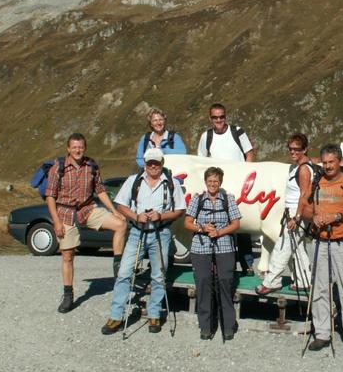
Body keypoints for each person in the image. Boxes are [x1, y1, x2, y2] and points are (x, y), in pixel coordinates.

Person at [101, 148, 186, 335]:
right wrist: (135, 216)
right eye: (150, 163)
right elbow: (121, 204)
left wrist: (161, 216)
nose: (153, 166)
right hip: (137, 233)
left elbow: (179, 209)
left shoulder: (171, 183)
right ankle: (116, 316)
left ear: (162, 162)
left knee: (158, 276)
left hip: (161, 233)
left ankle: (154, 313)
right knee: (124, 273)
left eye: (156, 162)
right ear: (145, 164)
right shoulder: (134, 181)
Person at [45, 133, 127, 314]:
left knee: (121, 225)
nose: (77, 150)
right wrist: (56, 222)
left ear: (85, 147)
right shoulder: (58, 167)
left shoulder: (91, 166)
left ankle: (118, 265)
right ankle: (68, 294)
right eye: (74, 147)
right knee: (68, 255)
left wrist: (114, 211)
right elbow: (50, 196)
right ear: (68, 149)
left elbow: (100, 191)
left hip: (87, 209)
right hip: (65, 212)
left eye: (80, 147)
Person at [302, 143, 343, 356]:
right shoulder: (317, 182)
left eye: (332, 162)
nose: (328, 166)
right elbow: (307, 210)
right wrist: (315, 218)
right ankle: (321, 334)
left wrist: (337, 216)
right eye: (325, 163)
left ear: (340, 162)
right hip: (321, 242)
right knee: (320, 289)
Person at [197, 103, 255, 275]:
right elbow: (201, 160)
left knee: (242, 224)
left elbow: (249, 153)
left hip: (238, 185)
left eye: (221, 116)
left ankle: (247, 264)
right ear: (210, 119)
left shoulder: (237, 132)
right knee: (217, 224)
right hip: (216, 188)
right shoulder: (206, 136)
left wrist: (247, 173)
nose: (219, 120)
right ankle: (216, 264)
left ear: (226, 117)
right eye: (215, 117)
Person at [184, 167, 241, 340]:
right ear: (205, 182)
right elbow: (187, 223)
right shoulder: (198, 200)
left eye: (216, 181)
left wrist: (219, 232)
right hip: (201, 246)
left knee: (225, 282)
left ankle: (228, 325)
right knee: (203, 283)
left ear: (221, 182)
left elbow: (236, 224)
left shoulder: (228, 200)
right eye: (210, 181)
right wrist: (202, 228)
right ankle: (206, 326)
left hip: (224, 245)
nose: (213, 184)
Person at [255, 133, 313, 295]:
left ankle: (272, 282)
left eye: (297, 149)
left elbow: (304, 195)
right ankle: (304, 281)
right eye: (290, 149)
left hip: (296, 213)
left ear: (305, 149)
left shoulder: (303, 170)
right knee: (298, 248)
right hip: (294, 212)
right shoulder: (305, 165)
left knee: (282, 248)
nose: (293, 152)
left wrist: (297, 217)